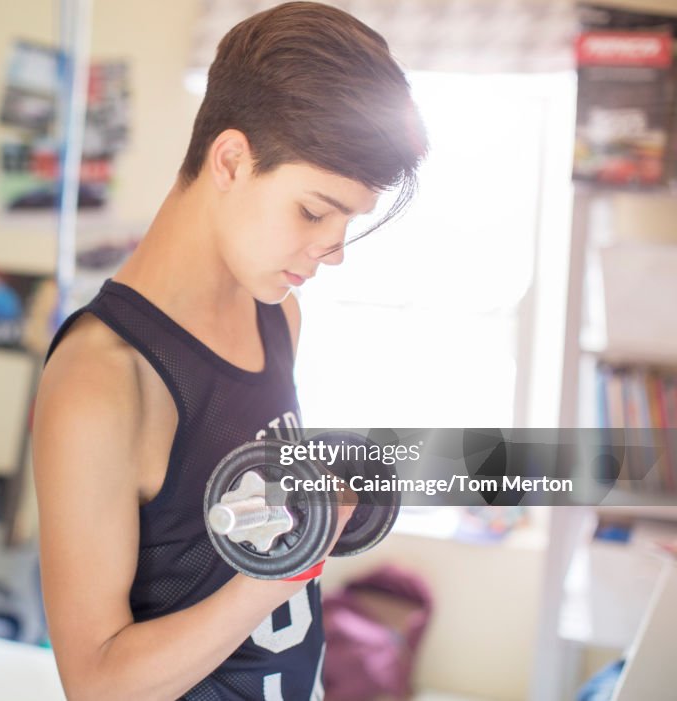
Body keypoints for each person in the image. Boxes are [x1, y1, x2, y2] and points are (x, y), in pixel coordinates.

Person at [32, 3, 427, 699]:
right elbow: (96, 684)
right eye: (313, 211)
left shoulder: (279, 317)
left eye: (348, 222)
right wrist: (286, 570)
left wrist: (320, 502)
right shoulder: (101, 378)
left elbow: (239, 523)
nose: (333, 251)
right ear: (231, 160)